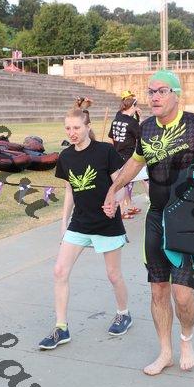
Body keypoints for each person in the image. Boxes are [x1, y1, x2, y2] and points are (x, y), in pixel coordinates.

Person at [103, 70, 194, 375]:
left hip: (188, 217)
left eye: (162, 91)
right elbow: (134, 163)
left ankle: (186, 339)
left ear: (176, 94)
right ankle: (165, 351)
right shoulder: (146, 128)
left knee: (183, 294)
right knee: (158, 290)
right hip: (156, 215)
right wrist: (113, 189)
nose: (155, 97)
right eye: (151, 92)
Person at [39, 108, 132, 350]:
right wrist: (63, 222)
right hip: (79, 223)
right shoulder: (66, 156)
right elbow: (70, 190)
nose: (72, 133)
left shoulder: (105, 151)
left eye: (77, 128)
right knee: (59, 271)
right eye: (68, 128)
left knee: (113, 275)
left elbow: (120, 184)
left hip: (107, 222)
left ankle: (123, 313)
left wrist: (115, 202)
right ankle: (61, 328)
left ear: (88, 127)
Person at [108, 95, 149, 218]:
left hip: (118, 155)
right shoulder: (132, 122)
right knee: (143, 179)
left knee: (125, 182)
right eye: (136, 106)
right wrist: (140, 118)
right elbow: (142, 136)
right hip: (130, 157)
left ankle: (128, 206)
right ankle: (122, 211)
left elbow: (111, 138)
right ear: (133, 107)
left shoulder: (116, 120)